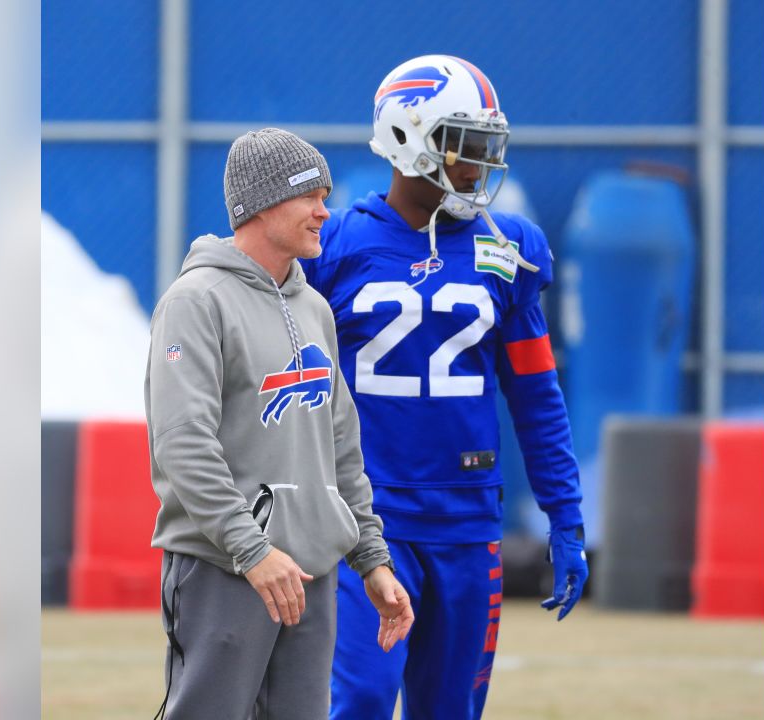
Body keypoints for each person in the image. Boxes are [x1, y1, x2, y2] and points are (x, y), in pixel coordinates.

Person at [299, 55, 590, 720]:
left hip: (467, 520)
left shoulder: (509, 247)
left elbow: (537, 397)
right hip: (366, 520)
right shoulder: (335, 244)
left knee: (449, 710)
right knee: (362, 700)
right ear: (408, 137)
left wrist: (565, 515)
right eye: (465, 144)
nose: (479, 163)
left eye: (488, 145)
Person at [145, 128, 414, 720]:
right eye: (311, 196)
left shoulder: (313, 306)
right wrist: (251, 550)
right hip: (225, 567)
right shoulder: (197, 301)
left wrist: (372, 557)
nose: (326, 211)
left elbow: (340, 443)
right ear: (263, 204)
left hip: (310, 574)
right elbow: (182, 442)